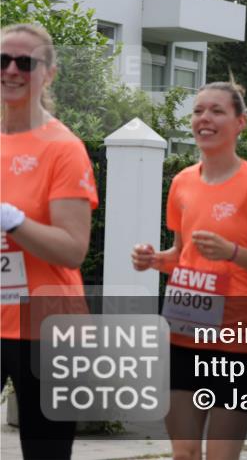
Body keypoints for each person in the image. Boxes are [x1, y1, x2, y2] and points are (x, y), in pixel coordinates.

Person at [131, 81, 247, 460]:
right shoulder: (183, 183)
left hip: (238, 345)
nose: (205, 119)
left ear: (240, 123)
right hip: (183, 337)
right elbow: (183, 254)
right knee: (184, 453)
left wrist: (233, 252)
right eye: (199, 110)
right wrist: (155, 260)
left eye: (217, 111)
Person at [1, 23, 98, 459]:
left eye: (26, 62)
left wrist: (11, 219)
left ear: (50, 73)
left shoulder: (63, 147)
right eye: (3, 60)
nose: (12, 70)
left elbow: (72, 248)